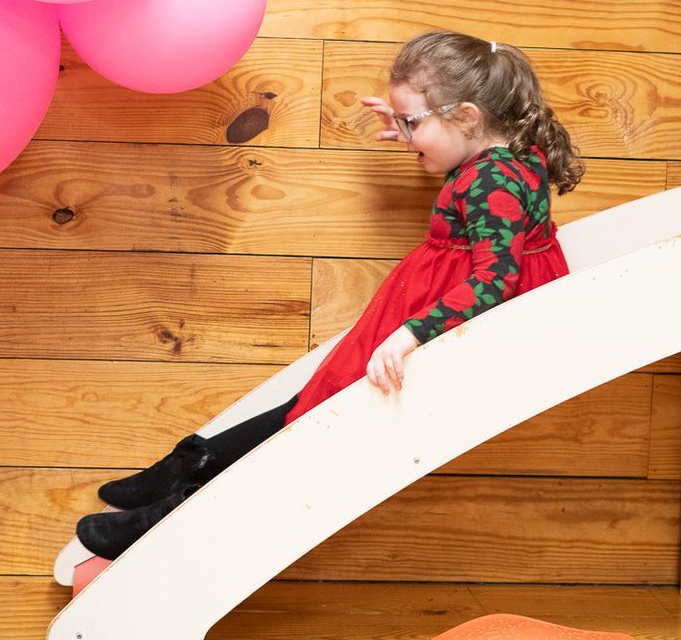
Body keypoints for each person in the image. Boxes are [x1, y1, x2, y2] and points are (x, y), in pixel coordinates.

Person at [76, 30, 587, 559]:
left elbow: (494, 277)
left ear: (467, 118)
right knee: (309, 404)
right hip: (436, 314)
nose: (408, 136)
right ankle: (188, 467)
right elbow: (484, 206)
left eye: (413, 122)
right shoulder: (510, 158)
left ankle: (177, 511)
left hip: (439, 329)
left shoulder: (492, 180)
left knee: (313, 419)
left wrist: (410, 336)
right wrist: (416, 130)